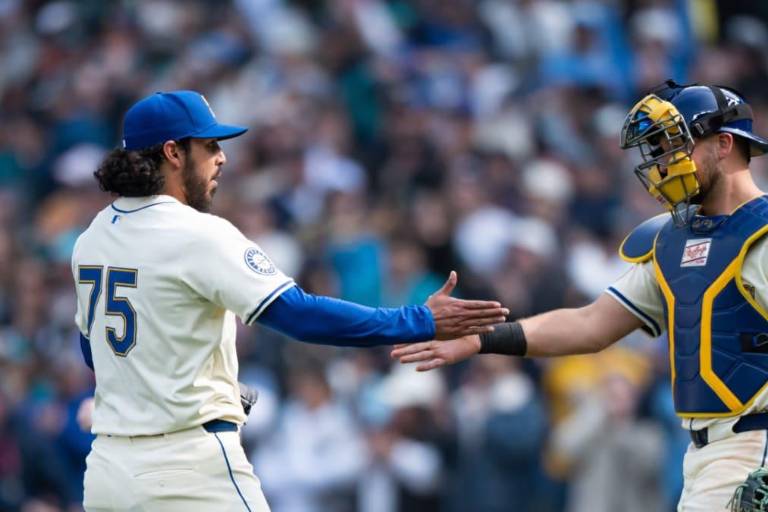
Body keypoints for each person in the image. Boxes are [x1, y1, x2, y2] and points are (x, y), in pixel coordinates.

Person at [71, 90, 508, 511]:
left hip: (109, 472)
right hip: (187, 468)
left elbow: (95, 351)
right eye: (208, 145)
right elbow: (299, 315)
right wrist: (419, 320)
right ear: (172, 153)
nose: (221, 157)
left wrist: (175, 386)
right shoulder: (198, 234)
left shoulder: (92, 237)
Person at [392, 80, 768, 512]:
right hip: (703, 453)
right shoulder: (674, 241)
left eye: (675, 145)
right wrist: (481, 339)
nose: (664, 162)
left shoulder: (762, 233)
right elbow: (589, 325)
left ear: (723, 144)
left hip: (753, 445)